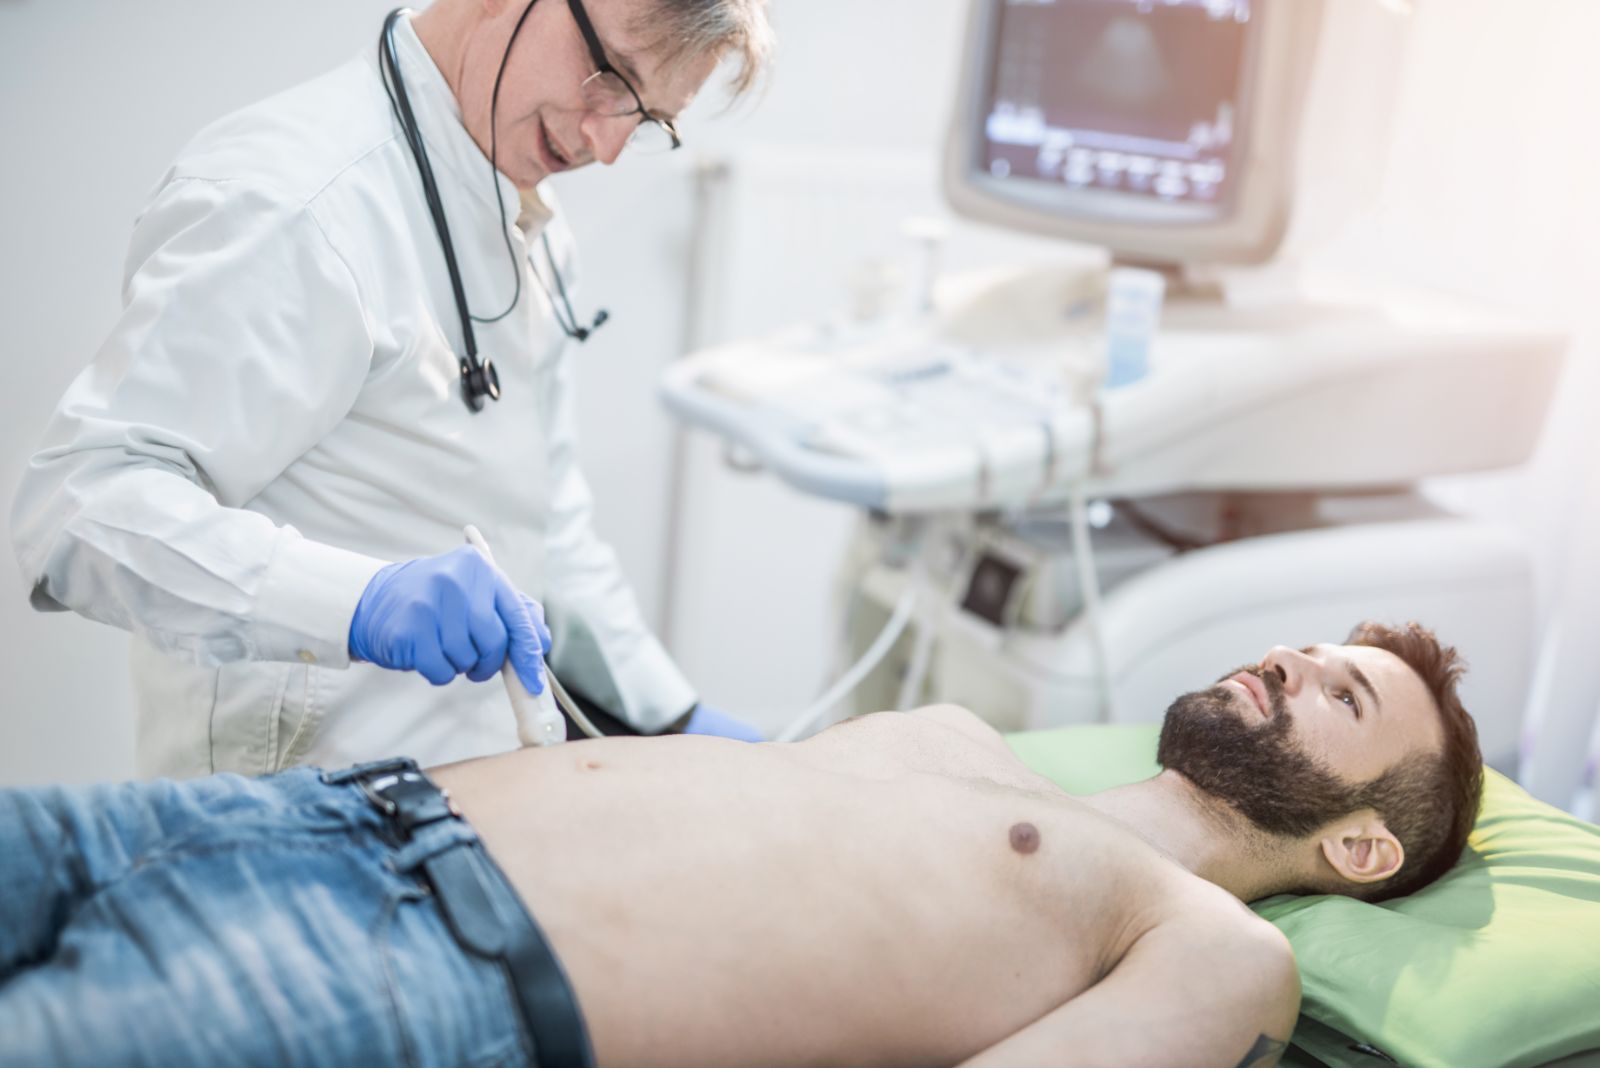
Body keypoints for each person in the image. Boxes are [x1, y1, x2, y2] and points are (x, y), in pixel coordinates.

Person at [0, 622, 1484, 1067]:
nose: (1290, 663)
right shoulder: (958, 736)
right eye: (1304, 646)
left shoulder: (1207, 947)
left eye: (1343, 693)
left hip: (408, 978)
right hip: (316, 816)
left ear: (1360, 852)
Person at [8, 0, 773, 780]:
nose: (606, 145)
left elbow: (550, 525)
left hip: (466, 783)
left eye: (646, 119)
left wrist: (672, 714)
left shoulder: (525, 217)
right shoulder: (295, 202)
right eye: (612, 74)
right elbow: (77, 512)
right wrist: (360, 602)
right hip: (295, 804)